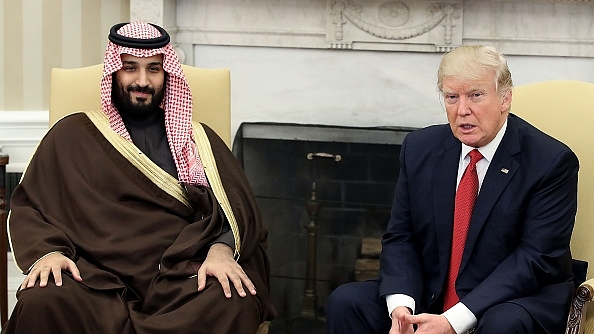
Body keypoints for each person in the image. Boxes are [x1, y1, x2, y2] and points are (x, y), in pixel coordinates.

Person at [5, 21, 276, 333]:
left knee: (233, 298)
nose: (142, 81)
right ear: (113, 73)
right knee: (43, 300)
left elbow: (238, 210)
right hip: (93, 281)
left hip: (178, 281)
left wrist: (221, 249)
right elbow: (29, 205)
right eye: (130, 68)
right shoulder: (71, 135)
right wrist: (48, 254)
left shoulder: (196, 139)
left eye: (154, 69)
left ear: (167, 74)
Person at [326, 45, 579, 334]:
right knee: (346, 302)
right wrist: (401, 307)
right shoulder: (419, 148)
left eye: (476, 95)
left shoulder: (550, 162)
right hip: (432, 294)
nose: (462, 110)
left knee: (503, 324)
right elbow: (401, 236)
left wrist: (453, 320)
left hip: (512, 299)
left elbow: (536, 259)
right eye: (451, 97)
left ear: (505, 99)